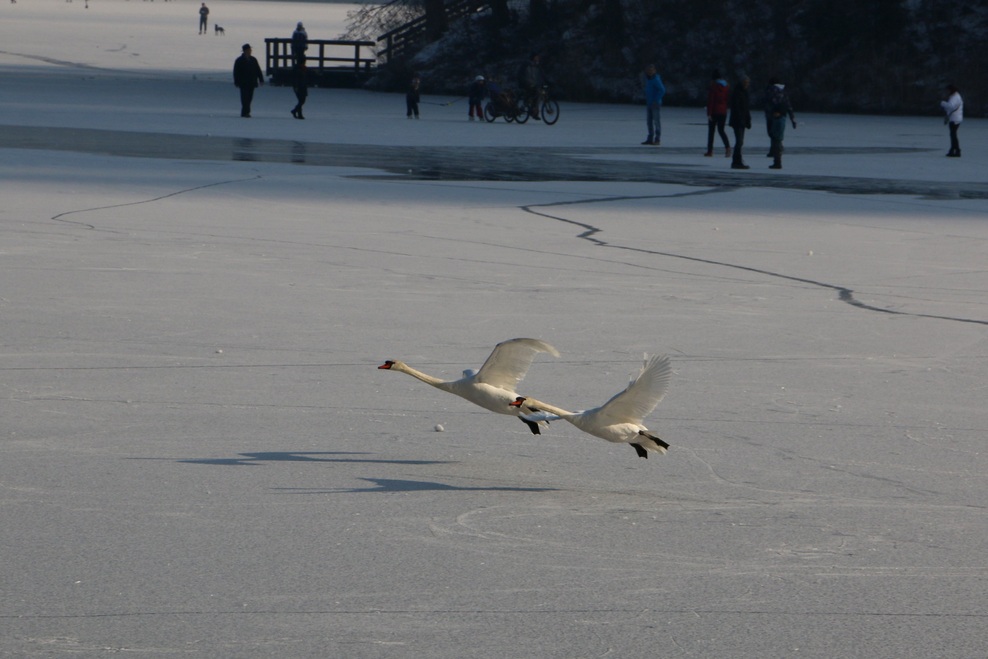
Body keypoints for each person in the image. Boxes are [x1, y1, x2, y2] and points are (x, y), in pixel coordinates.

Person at [764, 77, 796, 169]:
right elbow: (788, 105)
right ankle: (776, 156)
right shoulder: (783, 92)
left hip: (773, 117)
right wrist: (792, 118)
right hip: (782, 117)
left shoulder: (771, 90)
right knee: (777, 137)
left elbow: (770, 103)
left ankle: (777, 159)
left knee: (774, 137)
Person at [233, 43, 264, 118]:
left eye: (250, 50)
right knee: (244, 98)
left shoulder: (253, 59)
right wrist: (236, 81)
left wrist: (261, 79)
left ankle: (245, 112)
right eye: (249, 50)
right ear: (245, 51)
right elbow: (236, 72)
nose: (250, 51)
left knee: (249, 98)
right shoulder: (239, 60)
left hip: (252, 82)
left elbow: (258, 70)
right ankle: (245, 112)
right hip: (243, 83)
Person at [705, 70, 731, 157]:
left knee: (711, 132)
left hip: (714, 112)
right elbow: (727, 99)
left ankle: (710, 151)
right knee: (721, 130)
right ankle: (727, 148)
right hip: (723, 111)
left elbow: (711, 101)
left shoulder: (713, 87)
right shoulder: (726, 87)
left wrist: (709, 113)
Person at [728, 74, 751, 169]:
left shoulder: (744, 92)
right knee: (739, 141)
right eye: (745, 82)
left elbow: (746, 109)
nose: (747, 84)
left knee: (740, 142)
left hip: (742, 120)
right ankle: (736, 161)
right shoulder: (737, 92)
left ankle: (737, 160)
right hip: (737, 121)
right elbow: (737, 108)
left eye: (748, 83)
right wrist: (741, 119)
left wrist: (748, 120)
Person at [642, 63, 665, 145]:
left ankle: (657, 139)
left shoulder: (656, 79)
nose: (650, 72)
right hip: (649, 103)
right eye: (648, 70)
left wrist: (656, 100)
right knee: (649, 121)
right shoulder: (648, 79)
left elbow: (662, 90)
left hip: (655, 104)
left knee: (656, 121)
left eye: (651, 70)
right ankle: (650, 138)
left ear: (654, 71)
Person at [518, 53, 544, 120]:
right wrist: (525, 82)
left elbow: (541, 75)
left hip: (534, 84)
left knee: (538, 96)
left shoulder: (537, 66)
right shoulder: (526, 65)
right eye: (536, 57)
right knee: (531, 95)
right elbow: (521, 75)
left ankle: (534, 112)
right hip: (526, 84)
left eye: (538, 57)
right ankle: (525, 107)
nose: (537, 59)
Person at [940, 84, 963, 157]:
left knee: (953, 135)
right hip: (956, 118)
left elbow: (951, 106)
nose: (946, 92)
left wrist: (943, 103)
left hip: (954, 118)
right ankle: (953, 150)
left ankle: (956, 150)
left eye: (947, 90)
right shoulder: (956, 96)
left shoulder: (954, 97)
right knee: (953, 135)